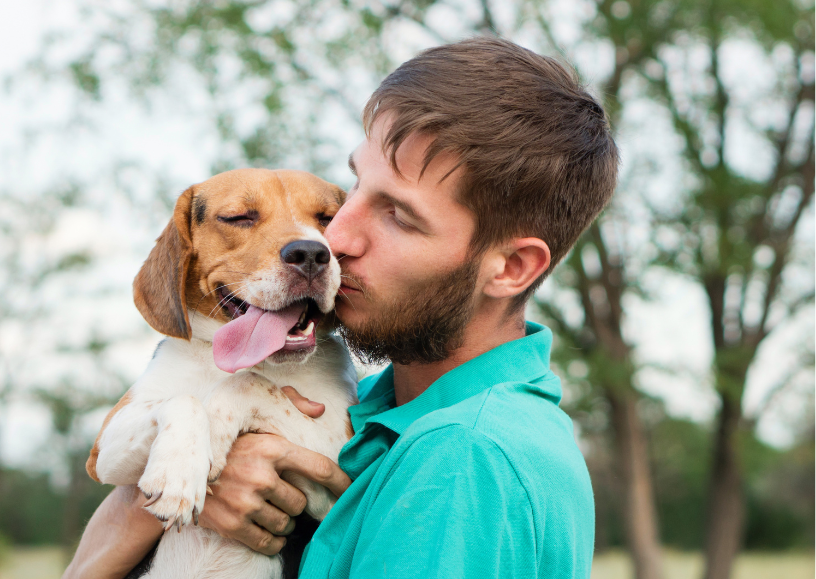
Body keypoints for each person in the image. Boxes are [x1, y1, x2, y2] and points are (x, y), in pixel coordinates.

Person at [64, 36, 618, 579]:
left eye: (398, 215)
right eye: (353, 190)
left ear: (512, 268)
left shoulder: (462, 459)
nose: (338, 238)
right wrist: (206, 476)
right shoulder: (390, 409)